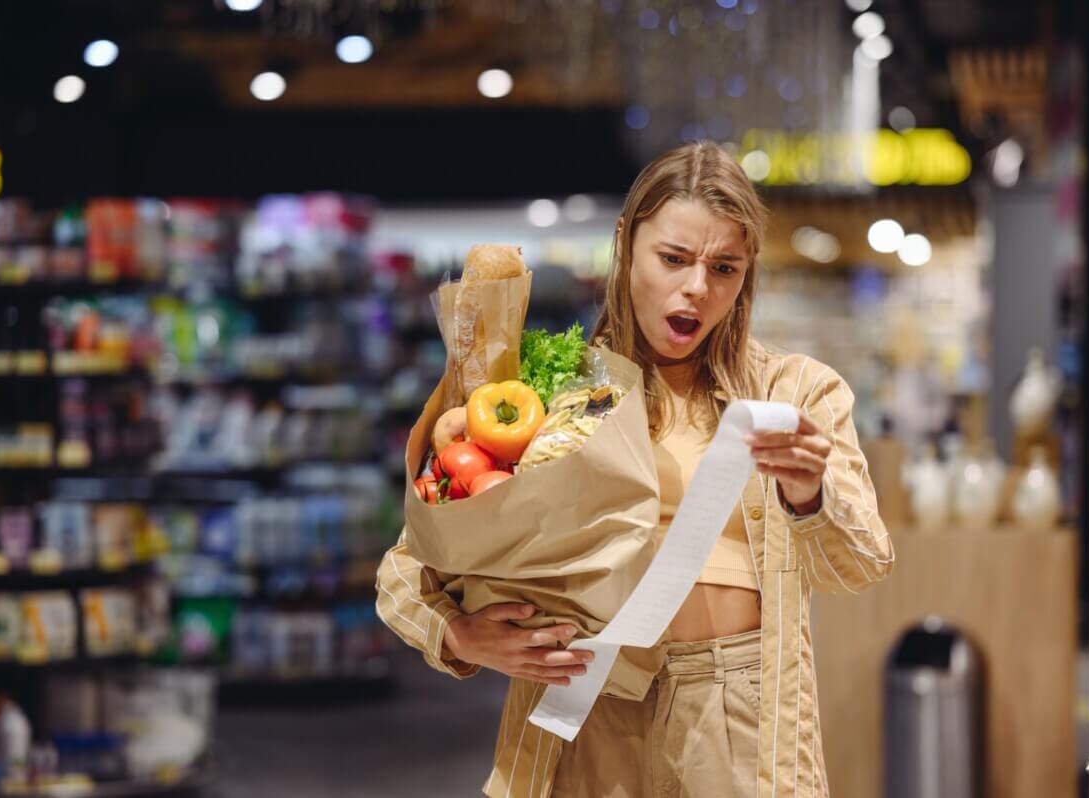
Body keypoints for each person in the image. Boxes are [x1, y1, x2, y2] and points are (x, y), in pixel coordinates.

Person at [376, 141, 894, 797]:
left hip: (736, 711)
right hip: (582, 703)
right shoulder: (547, 391)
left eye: (725, 268)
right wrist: (456, 635)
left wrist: (807, 492)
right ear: (625, 244)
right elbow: (406, 568)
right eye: (673, 259)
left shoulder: (795, 396)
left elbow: (864, 561)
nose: (697, 288)